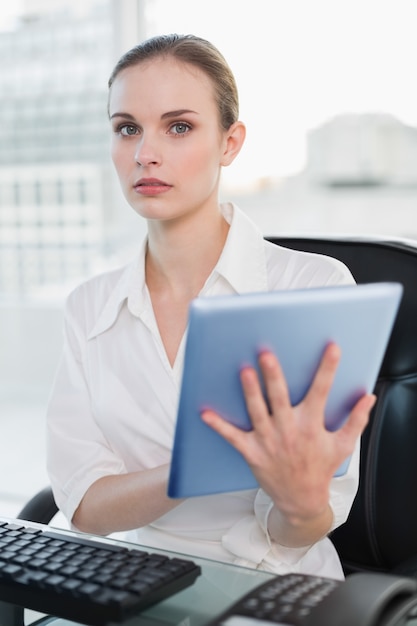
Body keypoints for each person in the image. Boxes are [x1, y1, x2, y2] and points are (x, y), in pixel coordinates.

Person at [46, 33, 375, 580]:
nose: (145, 153)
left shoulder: (312, 286)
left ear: (230, 142)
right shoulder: (90, 307)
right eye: (127, 128)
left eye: (179, 127)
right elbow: (85, 506)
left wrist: (297, 499)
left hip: (277, 585)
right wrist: (200, 467)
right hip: (140, 583)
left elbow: (305, 525)